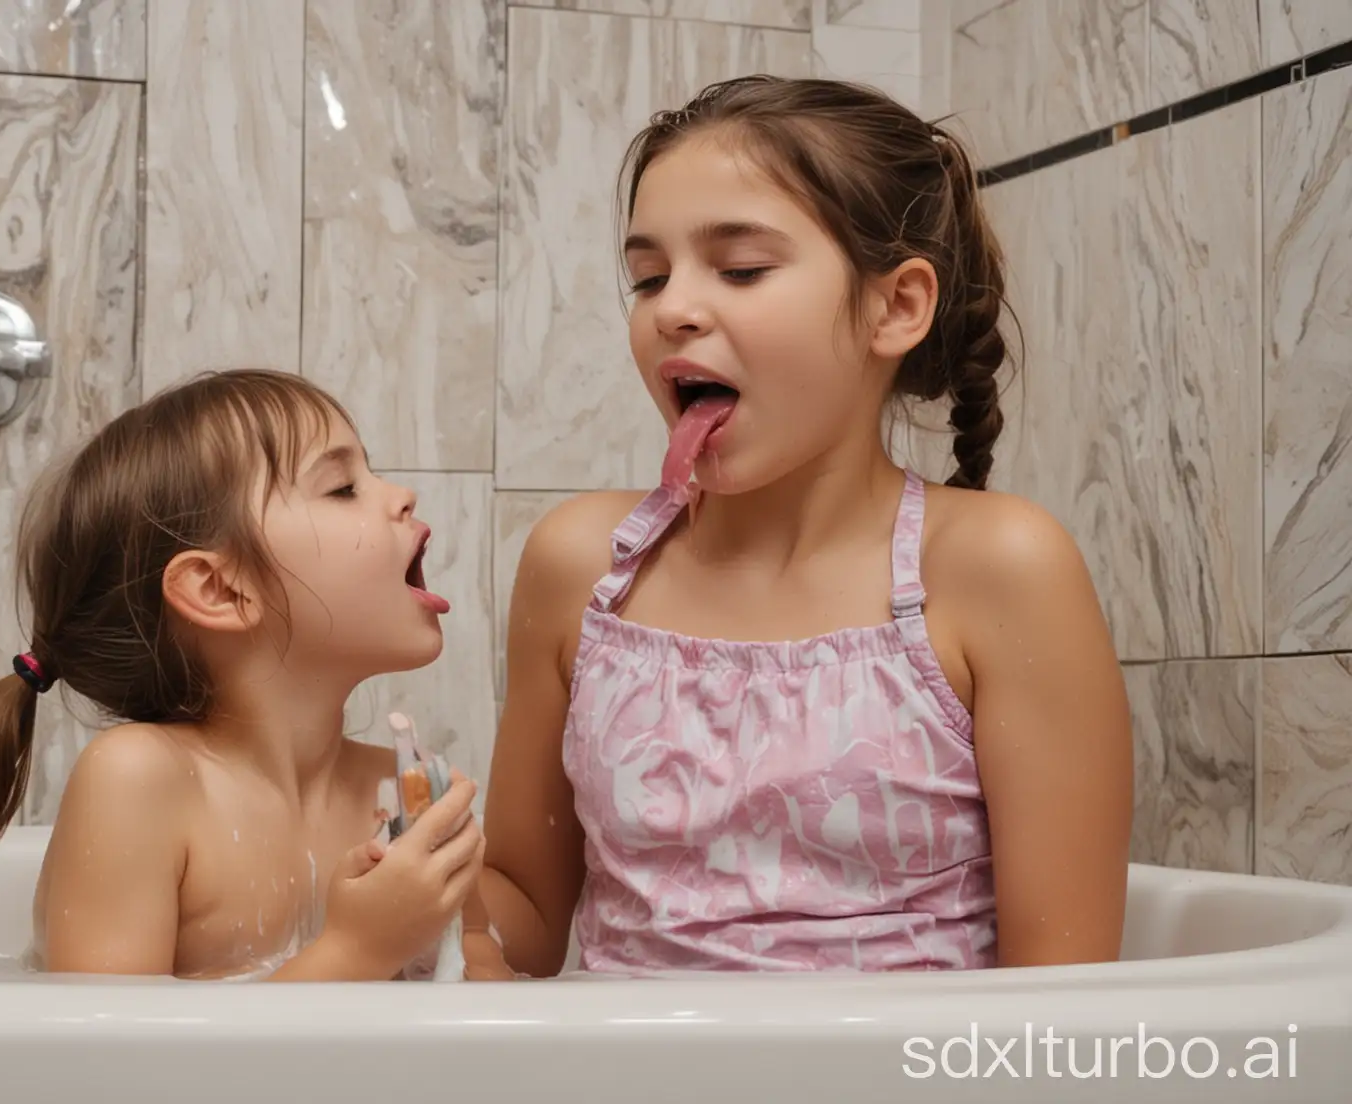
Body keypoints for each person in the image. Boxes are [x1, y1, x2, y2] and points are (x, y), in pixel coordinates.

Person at [479, 76, 1133, 975]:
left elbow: (1060, 998)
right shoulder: (581, 569)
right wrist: (389, 886)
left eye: (741, 268)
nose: (672, 308)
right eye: (648, 277)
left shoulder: (999, 569)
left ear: (896, 306)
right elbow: (519, 912)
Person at [0, 368, 510, 981]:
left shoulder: (402, 787)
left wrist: (457, 951)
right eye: (342, 487)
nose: (401, 495)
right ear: (220, 591)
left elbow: (488, 982)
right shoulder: (139, 783)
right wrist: (360, 951)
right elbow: (115, 1069)